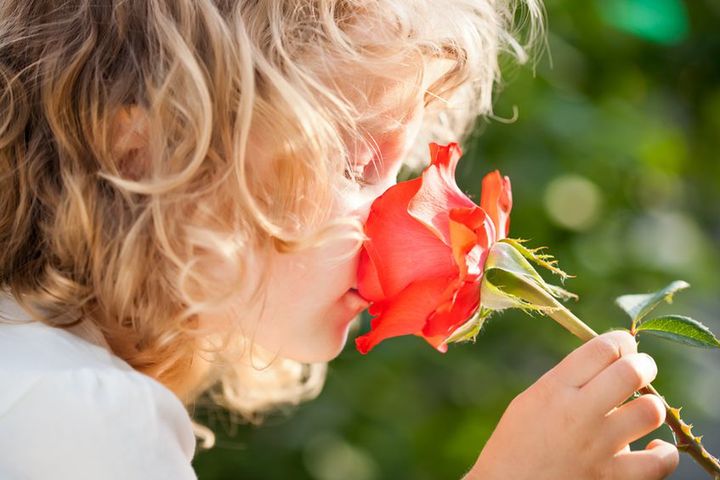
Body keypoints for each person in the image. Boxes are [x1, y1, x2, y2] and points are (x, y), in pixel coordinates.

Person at [0, 1, 679, 479]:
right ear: (145, 155)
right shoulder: (79, 417)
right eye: (354, 161)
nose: (398, 209)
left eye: (403, 164)